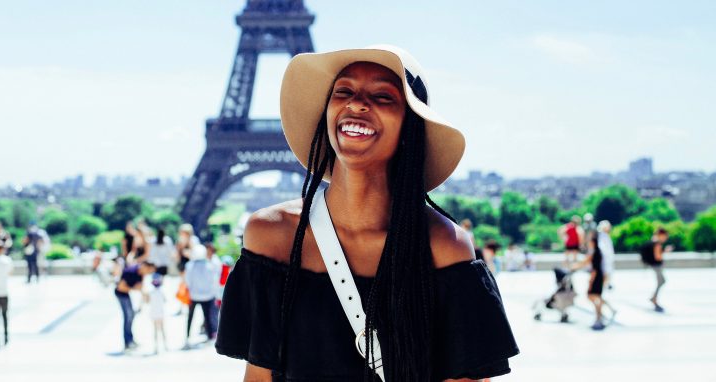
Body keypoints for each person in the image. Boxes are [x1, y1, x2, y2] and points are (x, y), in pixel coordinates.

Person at [216, 45, 518, 381]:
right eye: (343, 91)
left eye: (383, 96)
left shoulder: (446, 247)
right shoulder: (270, 236)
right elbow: (258, 375)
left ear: (410, 127)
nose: (356, 103)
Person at [571, 235, 616, 331]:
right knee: (596, 296)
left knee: (593, 296)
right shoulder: (598, 252)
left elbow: (588, 264)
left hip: (596, 277)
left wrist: (591, 280)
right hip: (599, 276)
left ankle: (599, 317)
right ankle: (606, 312)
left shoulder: (595, 253)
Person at [183, 244, 221, 349]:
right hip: (207, 296)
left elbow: (187, 281)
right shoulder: (210, 265)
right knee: (207, 316)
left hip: (193, 295)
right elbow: (213, 281)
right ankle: (209, 337)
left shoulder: (189, 265)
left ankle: (187, 336)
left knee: (190, 317)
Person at [114, 259, 156, 353]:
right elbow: (121, 287)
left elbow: (140, 287)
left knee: (131, 316)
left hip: (126, 294)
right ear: (145, 266)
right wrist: (134, 288)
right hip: (121, 294)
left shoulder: (141, 275)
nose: (149, 273)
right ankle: (127, 342)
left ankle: (130, 340)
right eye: (149, 271)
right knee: (128, 316)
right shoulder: (131, 271)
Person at [642, 227, 671, 312]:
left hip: (654, 266)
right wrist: (665, 251)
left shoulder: (653, 240)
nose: (666, 238)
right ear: (661, 235)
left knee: (661, 281)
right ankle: (654, 298)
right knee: (662, 281)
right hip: (656, 266)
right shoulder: (657, 244)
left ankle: (654, 298)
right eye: (665, 236)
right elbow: (658, 257)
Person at [146, 273, 167, 354]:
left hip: (153, 313)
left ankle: (156, 347)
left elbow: (147, 301)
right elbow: (165, 300)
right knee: (162, 329)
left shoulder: (151, 292)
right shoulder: (161, 291)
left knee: (155, 330)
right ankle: (165, 345)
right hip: (160, 313)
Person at [596, 220, 615, 290]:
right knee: (605, 273)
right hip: (605, 259)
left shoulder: (605, 235)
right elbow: (603, 249)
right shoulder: (602, 236)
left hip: (608, 259)